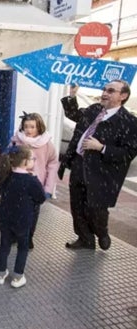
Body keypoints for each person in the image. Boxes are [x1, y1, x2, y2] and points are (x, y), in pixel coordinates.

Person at [58, 80, 137, 250]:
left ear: (122, 96)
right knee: (77, 204)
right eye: (104, 89)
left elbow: (128, 153)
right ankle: (85, 238)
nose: (105, 93)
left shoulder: (129, 121)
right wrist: (72, 95)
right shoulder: (94, 109)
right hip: (79, 163)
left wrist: (101, 148)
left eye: (111, 90)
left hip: (102, 171)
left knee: (96, 208)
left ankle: (102, 232)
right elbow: (74, 115)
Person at [0, 144, 46, 288]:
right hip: (23, 220)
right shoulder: (31, 181)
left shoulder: (7, 177)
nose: (34, 161)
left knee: (4, 245)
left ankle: (0, 273)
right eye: (32, 159)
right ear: (25, 162)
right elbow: (41, 198)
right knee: (23, 247)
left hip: (5, 218)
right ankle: (17, 277)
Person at [9, 112, 58, 249]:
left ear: (39, 127)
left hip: (36, 185)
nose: (28, 130)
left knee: (32, 213)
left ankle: (28, 237)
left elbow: (52, 166)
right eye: (26, 126)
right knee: (15, 210)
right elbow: (8, 157)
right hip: (18, 182)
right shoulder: (16, 140)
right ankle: (14, 234)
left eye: (32, 127)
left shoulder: (47, 144)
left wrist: (48, 189)